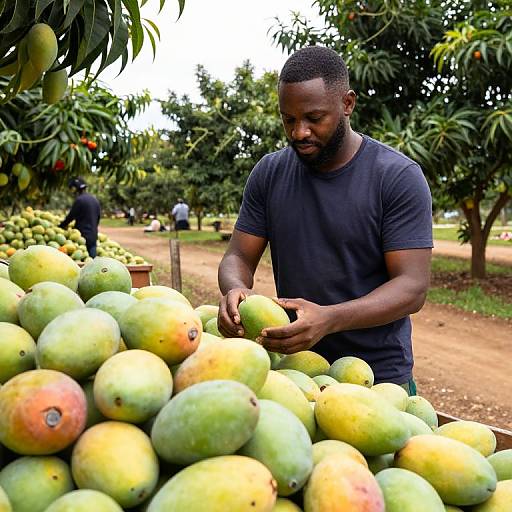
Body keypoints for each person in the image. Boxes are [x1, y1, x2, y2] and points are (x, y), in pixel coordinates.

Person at [217, 46, 433, 394]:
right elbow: (238, 256)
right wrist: (235, 289)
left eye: (313, 118)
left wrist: (330, 319)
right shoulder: (269, 174)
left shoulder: (396, 177)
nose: (299, 132)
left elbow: (412, 288)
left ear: (347, 104)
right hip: (296, 372)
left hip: (376, 379)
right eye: (288, 119)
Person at [60, 177, 101, 258]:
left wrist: (61, 226)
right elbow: (98, 217)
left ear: (75, 189)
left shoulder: (79, 200)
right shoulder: (94, 199)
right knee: (92, 261)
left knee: (80, 261)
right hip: (93, 235)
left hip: (81, 238)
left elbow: (70, 217)